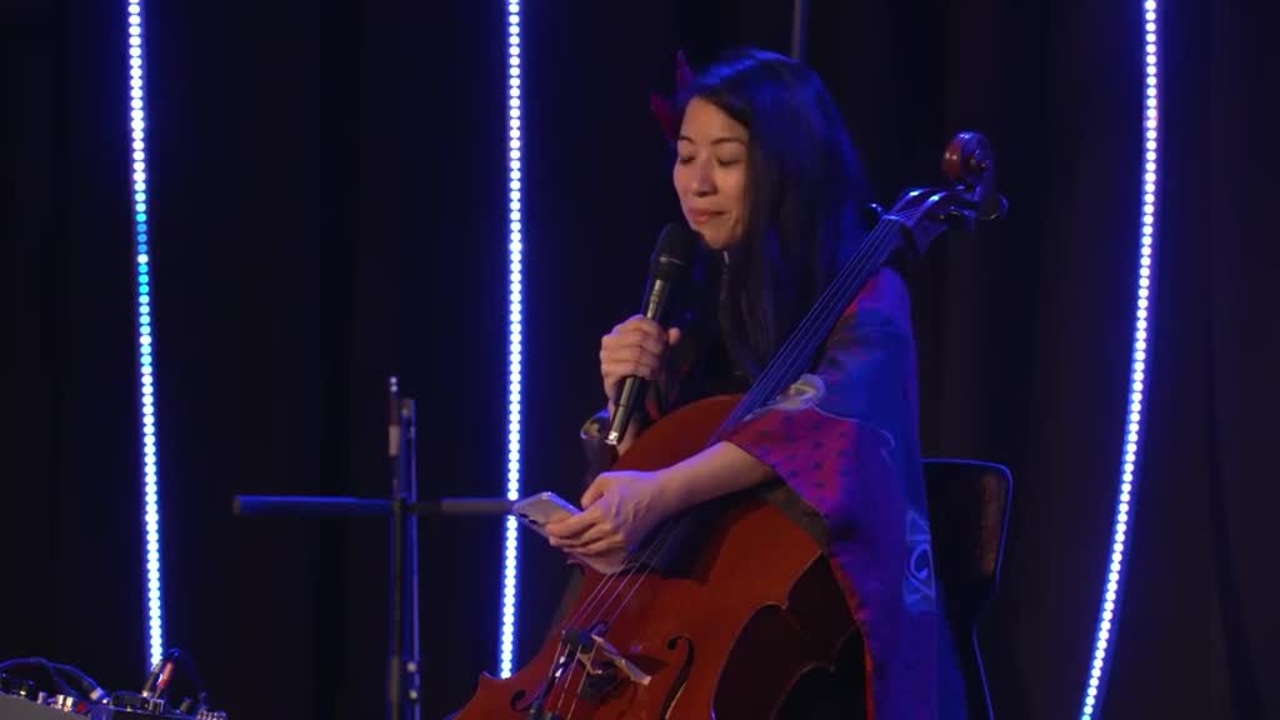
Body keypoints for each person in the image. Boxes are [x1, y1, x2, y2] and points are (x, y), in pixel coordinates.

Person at [537, 47, 965, 719]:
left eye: (727, 160)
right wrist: (629, 401)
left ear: (786, 168)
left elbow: (823, 424)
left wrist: (660, 491)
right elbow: (662, 465)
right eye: (685, 156)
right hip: (694, 631)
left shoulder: (872, 297)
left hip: (817, 652)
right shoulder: (703, 292)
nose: (697, 183)